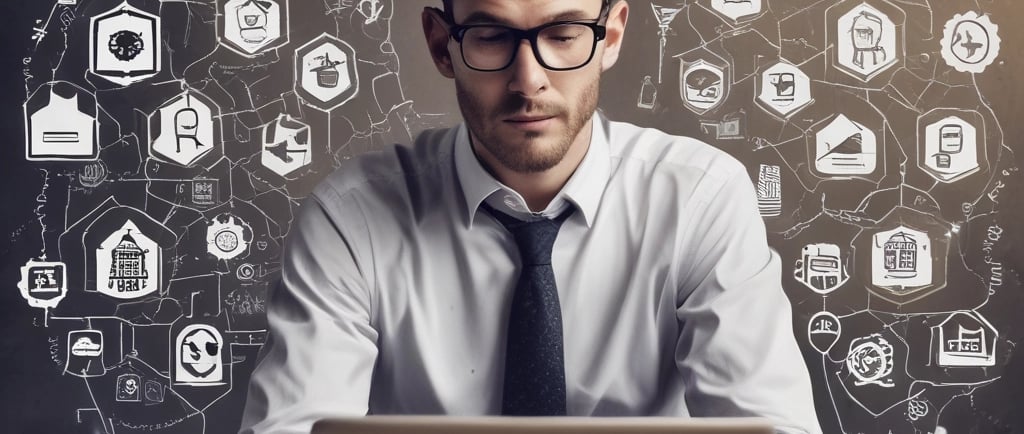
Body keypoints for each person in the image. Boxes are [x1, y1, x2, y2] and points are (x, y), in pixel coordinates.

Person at [239, 1, 822, 433]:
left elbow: (773, 423)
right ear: (442, 44)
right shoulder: (351, 217)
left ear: (612, 35)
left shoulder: (699, 197)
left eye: (563, 35)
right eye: (491, 37)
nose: (529, 80)